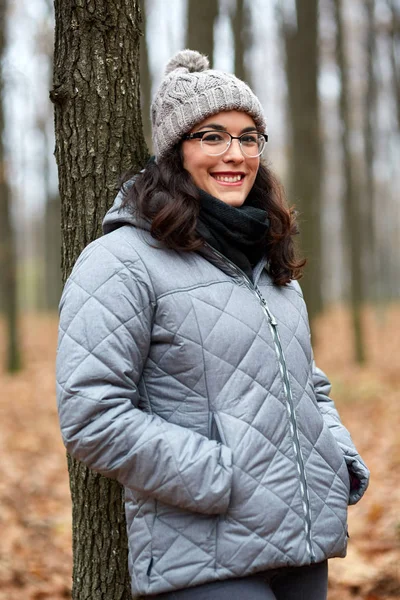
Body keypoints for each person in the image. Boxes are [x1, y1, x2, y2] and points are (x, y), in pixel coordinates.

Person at [56, 50, 369, 600]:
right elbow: (91, 412)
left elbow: (309, 385)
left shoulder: (269, 258)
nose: (236, 154)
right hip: (205, 555)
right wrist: (219, 475)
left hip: (304, 545)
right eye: (212, 136)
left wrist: (334, 456)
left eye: (249, 138)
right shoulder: (121, 260)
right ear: (176, 151)